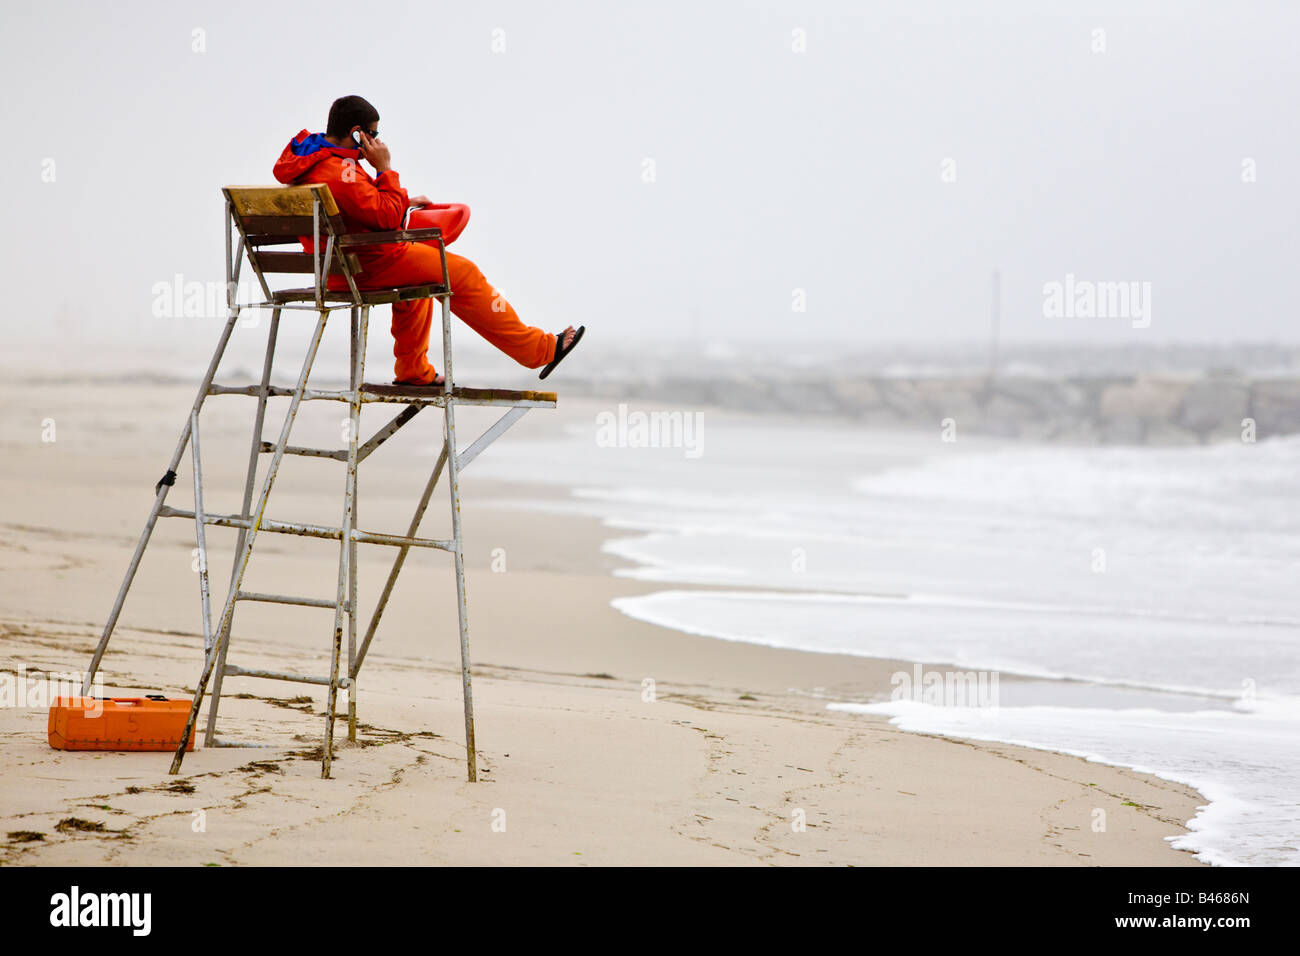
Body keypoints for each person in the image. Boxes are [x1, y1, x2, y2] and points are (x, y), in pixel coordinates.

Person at [272, 95, 583, 385]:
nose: (377, 141)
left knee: (422, 275)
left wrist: (403, 201)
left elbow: (359, 205)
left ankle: (413, 369)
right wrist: (385, 169)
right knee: (464, 273)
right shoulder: (338, 171)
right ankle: (538, 351)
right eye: (373, 134)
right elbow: (387, 217)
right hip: (364, 266)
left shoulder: (314, 161)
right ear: (357, 134)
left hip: (336, 266)